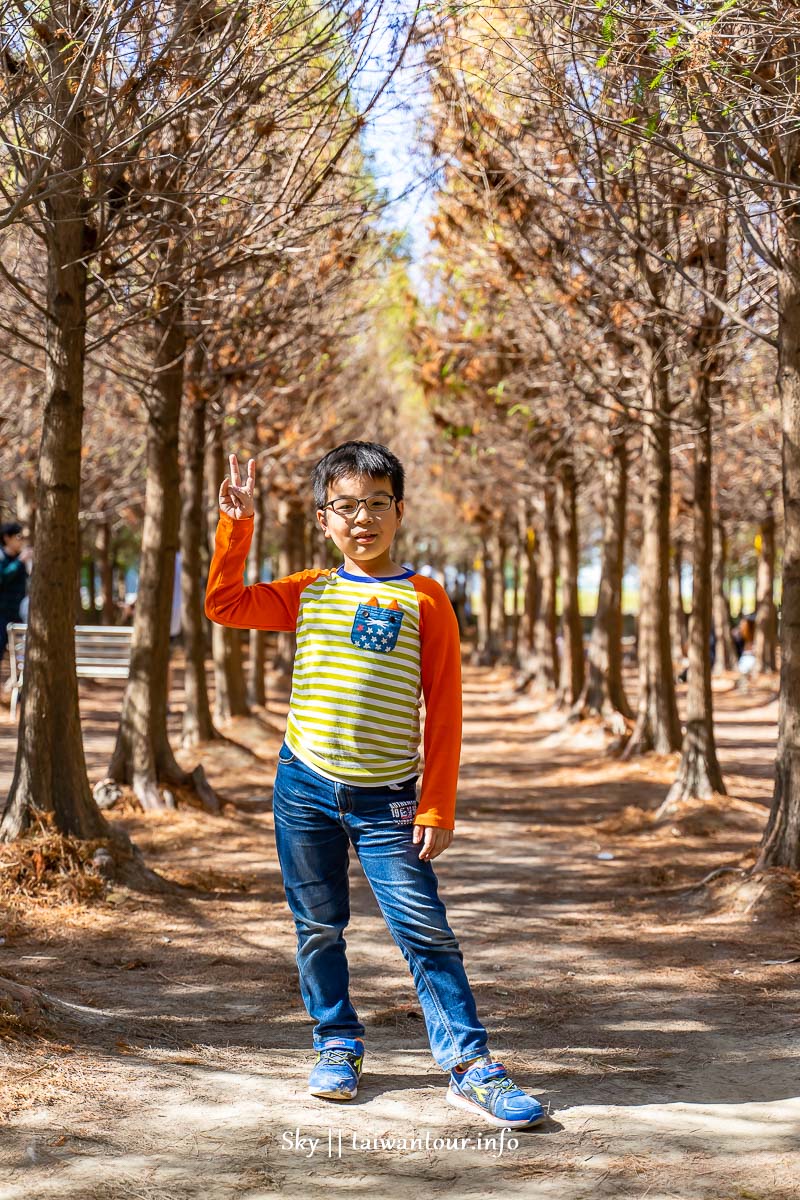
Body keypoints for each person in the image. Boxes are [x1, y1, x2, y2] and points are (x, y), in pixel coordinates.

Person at [205, 441, 544, 1130]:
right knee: (318, 928)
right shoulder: (309, 591)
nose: (363, 518)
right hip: (303, 788)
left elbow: (444, 706)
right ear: (324, 516)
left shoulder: (426, 598)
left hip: (389, 799)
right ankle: (336, 1042)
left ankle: (471, 1066)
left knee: (425, 931)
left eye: (377, 504)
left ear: (399, 510)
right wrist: (237, 528)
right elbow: (225, 602)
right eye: (346, 506)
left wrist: (437, 803)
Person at [0, 521, 29, 662]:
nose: (21, 541)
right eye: (18, 536)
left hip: (18, 613)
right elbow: (2, 577)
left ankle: (17, 680)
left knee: (22, 651)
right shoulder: (2, 557)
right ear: (7, 538)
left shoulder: (22, 559)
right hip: (2, 613)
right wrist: (19, 562)